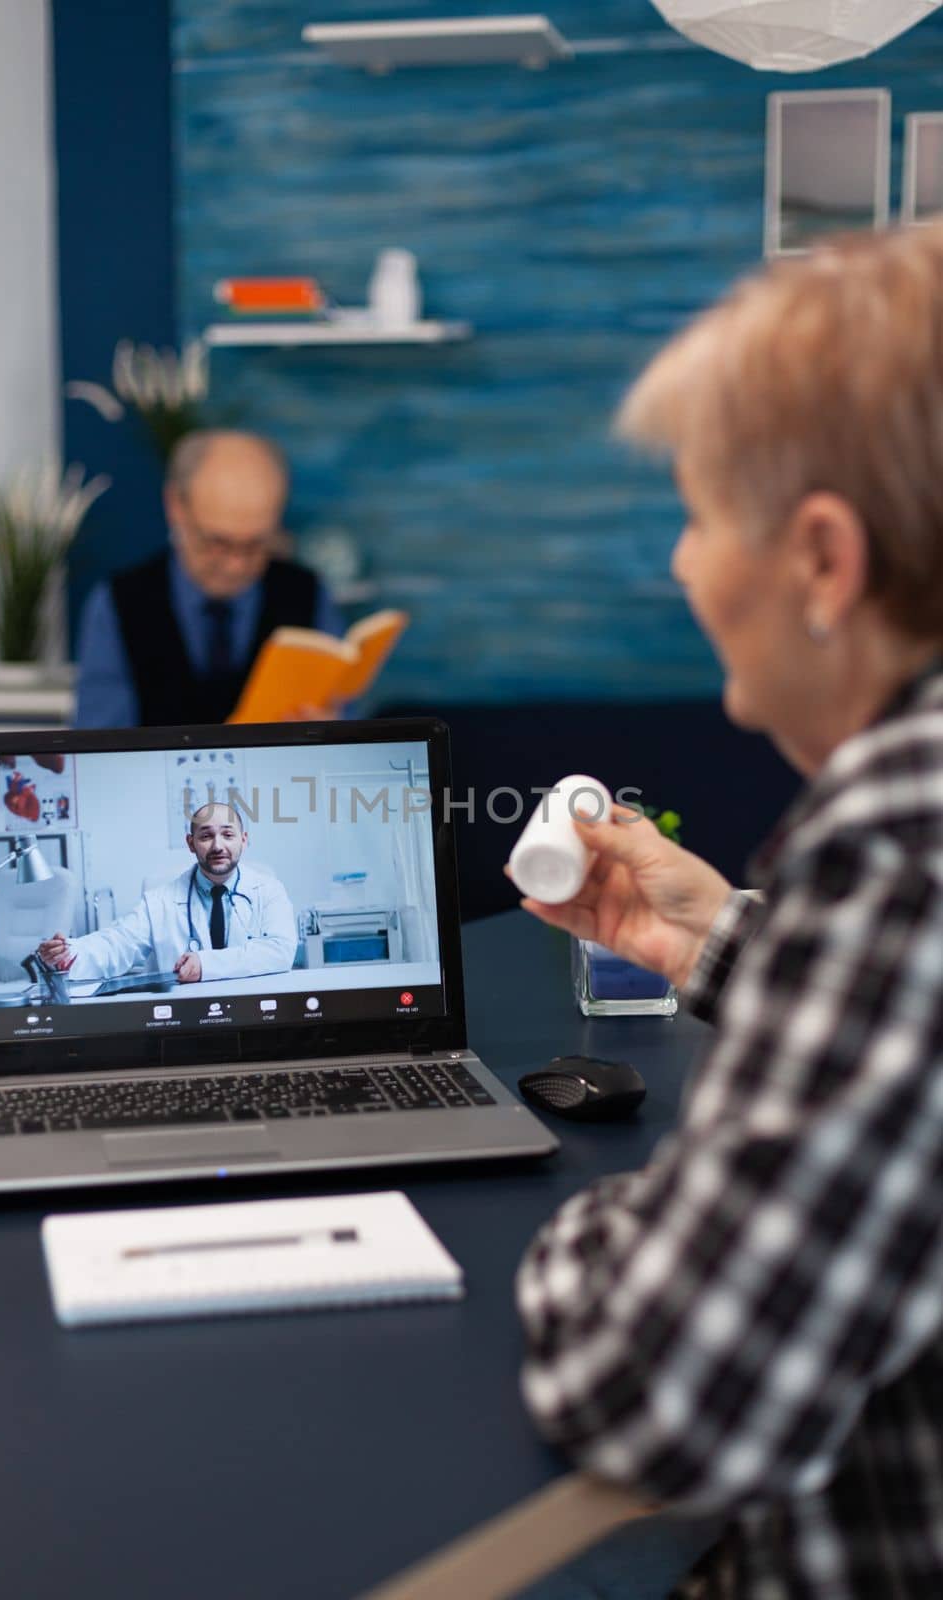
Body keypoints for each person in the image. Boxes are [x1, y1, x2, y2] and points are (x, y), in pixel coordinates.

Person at [514, 223, 943, 1599]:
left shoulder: (895, 842)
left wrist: (603, 1226)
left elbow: (666, 1392)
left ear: (820, 560)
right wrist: (724, 944)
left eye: (698, 517)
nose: (685, 570)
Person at [75, 430, 344, 727]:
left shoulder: (309, 595)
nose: (235, 566)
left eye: (256, 544)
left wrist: (328, 733)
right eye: (217, 543)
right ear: (176, 506)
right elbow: (100, 741)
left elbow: (344, 718)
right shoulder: (118, 603)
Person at [38, 802, 296, 983]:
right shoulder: (159, 901)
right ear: (191, 843)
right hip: (182, 1018)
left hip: (254, 1012)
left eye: (228, 834)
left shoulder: (269, 890)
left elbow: (280, 951)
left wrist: (206, 965)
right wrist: (69, 952)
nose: (218, 845)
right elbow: (116, 943)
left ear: (243, 840)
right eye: (206, 836)